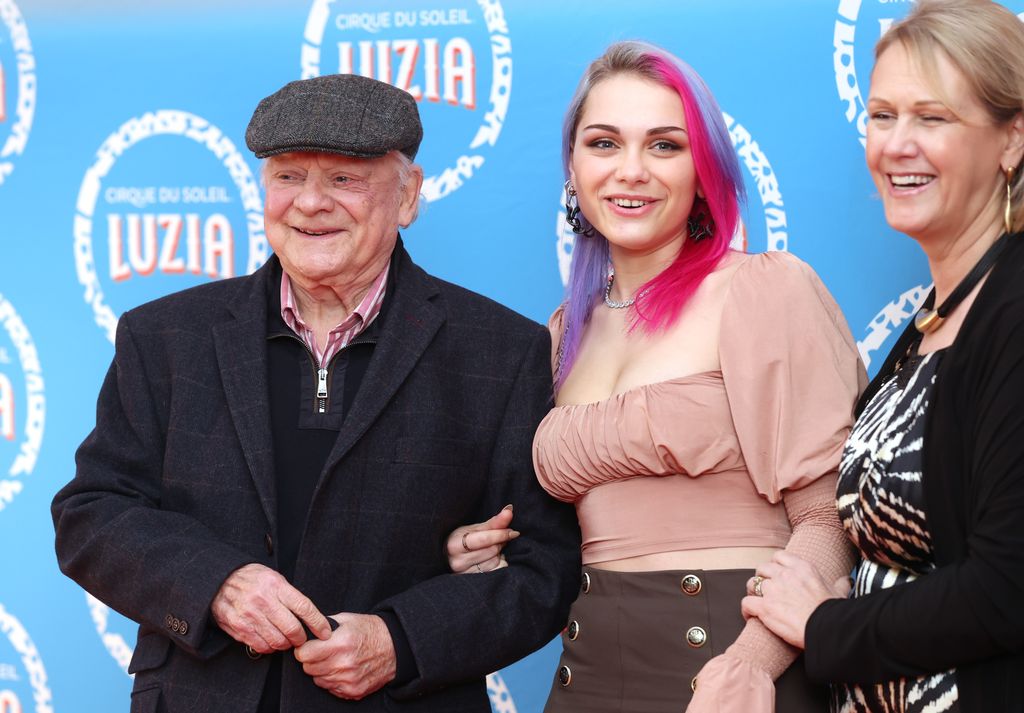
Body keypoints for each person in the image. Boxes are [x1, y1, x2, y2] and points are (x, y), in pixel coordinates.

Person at [51, 73, 581, 713]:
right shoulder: (163, 337)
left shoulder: (499, 351)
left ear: (409, 195)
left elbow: (543, 571)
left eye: (344, 180)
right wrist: (215, 585)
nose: (309, 203)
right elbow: (93, 513)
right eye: (288, 176)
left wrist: (400, 641)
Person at [450, 40, 866, 712]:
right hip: (586, 680)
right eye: (605, 143)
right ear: (573, 169)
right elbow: (565, 541)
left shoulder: (765, 291)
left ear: (705, 170)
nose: (631, 171)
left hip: (735, 681)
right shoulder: (562, 333)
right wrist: (491, 558)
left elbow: (828, 517)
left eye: (665, 145)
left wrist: (751, 665)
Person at [740, 1, 1024, 711]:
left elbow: (1007, 588)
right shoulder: (932, 324)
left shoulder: (1015, 312)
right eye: (882, 115)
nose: (897, 144)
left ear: (1012, 140)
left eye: (933, 118)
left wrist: (825, 624)